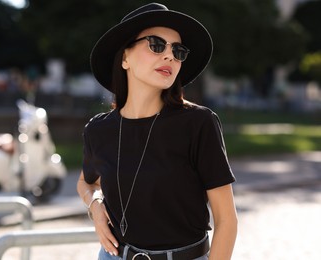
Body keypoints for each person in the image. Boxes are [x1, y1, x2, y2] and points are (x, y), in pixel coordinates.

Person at [77, 3, 237, 260]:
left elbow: (226, 220)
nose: (170, 56)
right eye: (156, 44)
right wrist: (95, 205)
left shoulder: (199, 123)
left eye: (179, 50)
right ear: (125, 58)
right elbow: (86, 181)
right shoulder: (98, 129)